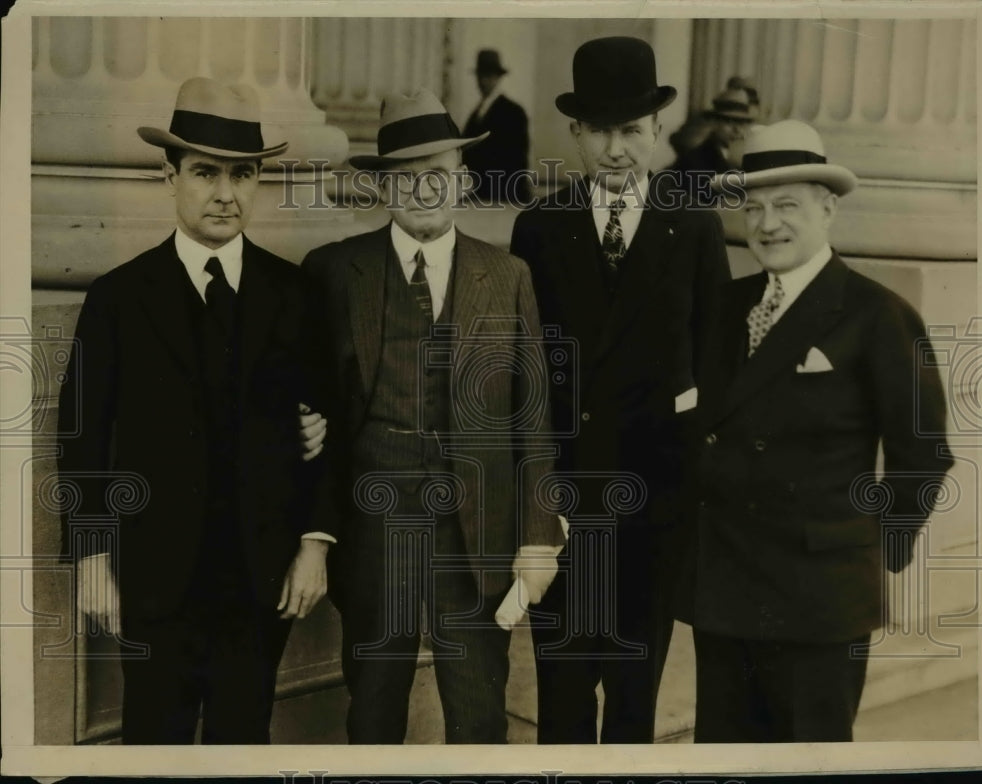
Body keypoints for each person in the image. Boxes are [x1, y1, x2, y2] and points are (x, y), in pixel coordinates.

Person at [57, 77, 333, 744]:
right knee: (155, 735)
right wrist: (93, 558)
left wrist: (315, 544)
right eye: (206, 172)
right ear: (168, 176)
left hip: (260, 572)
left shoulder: (294, 293)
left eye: (244, 175)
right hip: (154, 576)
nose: (225, 193)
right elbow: (85, 434)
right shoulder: (119, 300)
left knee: (245, 734)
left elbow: (329, 426)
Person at [300, 89, 564, 744]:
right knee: (374, 708)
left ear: (463, 180)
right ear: (384, 186)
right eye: (407, 176)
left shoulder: (506, 277)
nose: (424, 190)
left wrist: (538, 534)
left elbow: (533, 421)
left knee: (478, 714)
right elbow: (305, 397)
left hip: (476, 534)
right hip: (373, 524)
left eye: (438, 173)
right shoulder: (334, 272)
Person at [676, 119, 954, 742]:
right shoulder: (724, 307)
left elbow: (923, 457)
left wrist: (866, 550)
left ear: (827, 210)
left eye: (787, 205)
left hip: (819, 603)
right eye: (754, 207)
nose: (768, 223)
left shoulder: (878, 315)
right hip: (724, 591)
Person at [509, 36, 731, 744]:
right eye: (600, 130)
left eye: (631, 130)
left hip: (653, 511)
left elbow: (718, 365)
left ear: (657, 129)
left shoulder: (693, 226)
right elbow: (523, 376)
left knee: (635, 705)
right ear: (574, 132)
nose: (615, 149)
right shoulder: (539, 228)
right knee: (564, 704)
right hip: (565, 507)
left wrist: (690, 487)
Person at [461, 49, 531, 203]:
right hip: (478, 195)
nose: (483, 81)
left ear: (498, 77)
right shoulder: (476, 114)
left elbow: (515, 161)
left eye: (489, 75)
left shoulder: (513, 112)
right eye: (480, 75)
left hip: (503, 196)